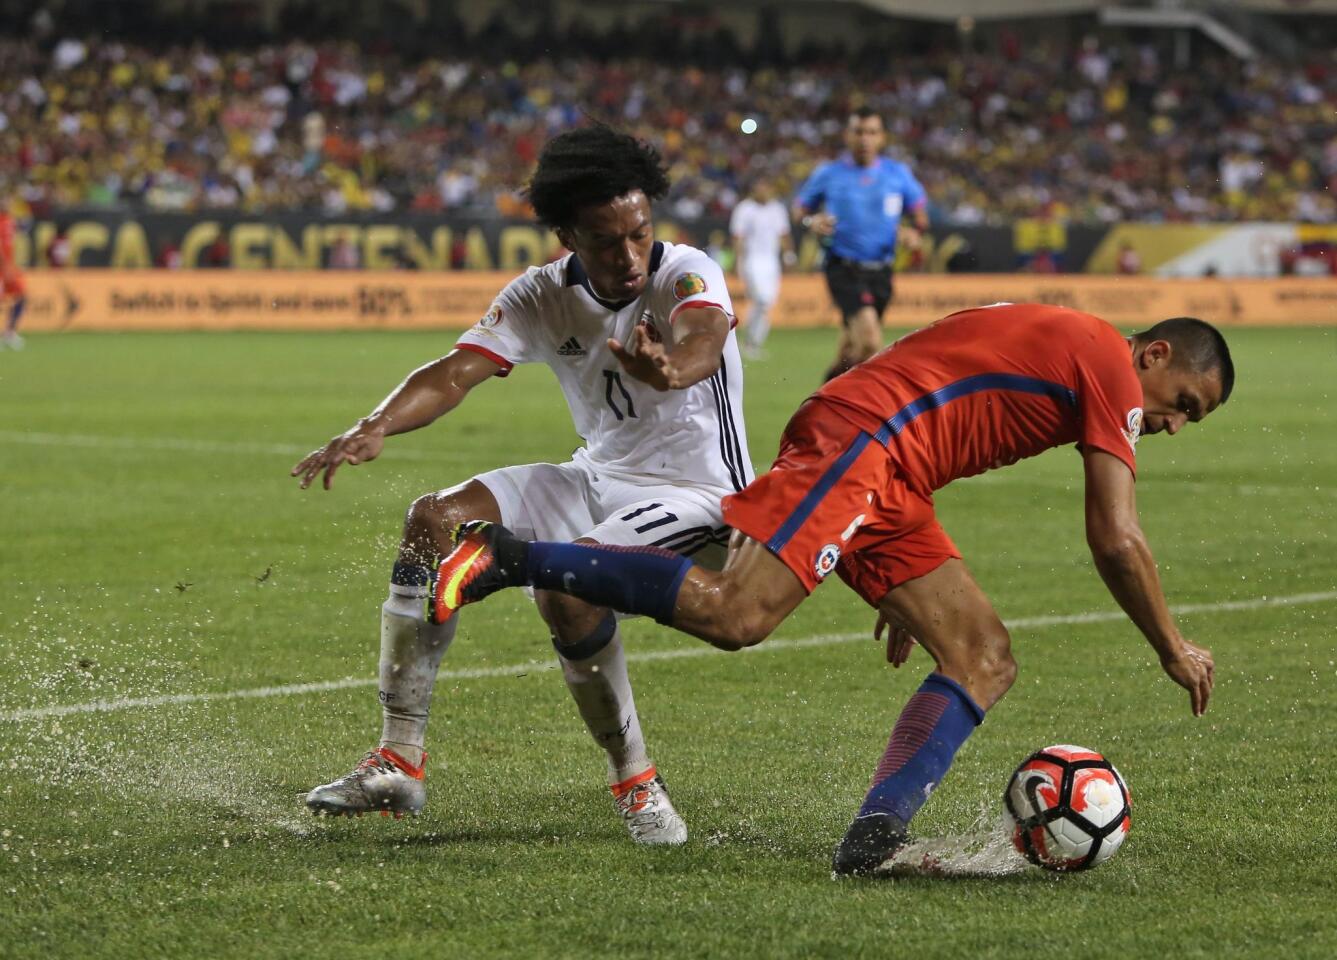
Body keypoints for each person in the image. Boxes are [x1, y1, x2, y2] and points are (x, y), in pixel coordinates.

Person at [433, 302, 1232, 875]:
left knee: (981, 655)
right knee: (736, 614)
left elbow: (945, 383)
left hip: (890, 468)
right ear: (1154, 354)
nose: (1172, 425)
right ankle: (508, 557)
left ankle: (875, 837)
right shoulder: (1109, 369)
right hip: (864, 443)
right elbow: (1114, 538)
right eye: (1183, 404)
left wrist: (900, 576)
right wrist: (1171, 646)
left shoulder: (1070, 338)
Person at [292, 125, 752, 845]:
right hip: (599, 478)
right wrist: (374, 424)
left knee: (562, 589)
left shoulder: (685, 270)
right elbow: (453, 372)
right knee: (432, 519)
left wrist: (671, 368)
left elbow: (703, 334)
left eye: (639, 232)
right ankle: (397, 761)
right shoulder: (540, 293)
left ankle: (637, 784)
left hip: (705, 501)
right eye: (605, 241)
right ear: (567, 235)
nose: (628, 255)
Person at [794, 107, 928, 382]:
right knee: (869, 341)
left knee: (850, 350)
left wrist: (914, 232)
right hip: (843, 266)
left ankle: (821, 398)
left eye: (871, 132)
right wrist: (812, 222)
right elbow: (799, 211)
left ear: (882, 138)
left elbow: (920, 214)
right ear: (847, 136)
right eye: (858, 132)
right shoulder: (829, 173)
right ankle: (862, 415)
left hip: (881, 270)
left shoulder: (897, 173)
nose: (864, 139)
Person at [729, 176, 794, 359]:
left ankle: (753, 342)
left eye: (766, 187)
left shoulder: (777, 209)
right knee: (762, 299)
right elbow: (738, 237)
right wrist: (736, 260)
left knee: (767, 304)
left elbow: (784, 234)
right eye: (760, 187)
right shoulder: (744, 209)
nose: (763, 191)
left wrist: (789, 256)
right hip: (751, 260)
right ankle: (750, 342)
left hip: (771, 262)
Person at [0, 204, 27, 350]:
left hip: (8, 268)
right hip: (3, 269)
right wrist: (5, 265)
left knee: (21, 296)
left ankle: (10, 332)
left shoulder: (9, 220)